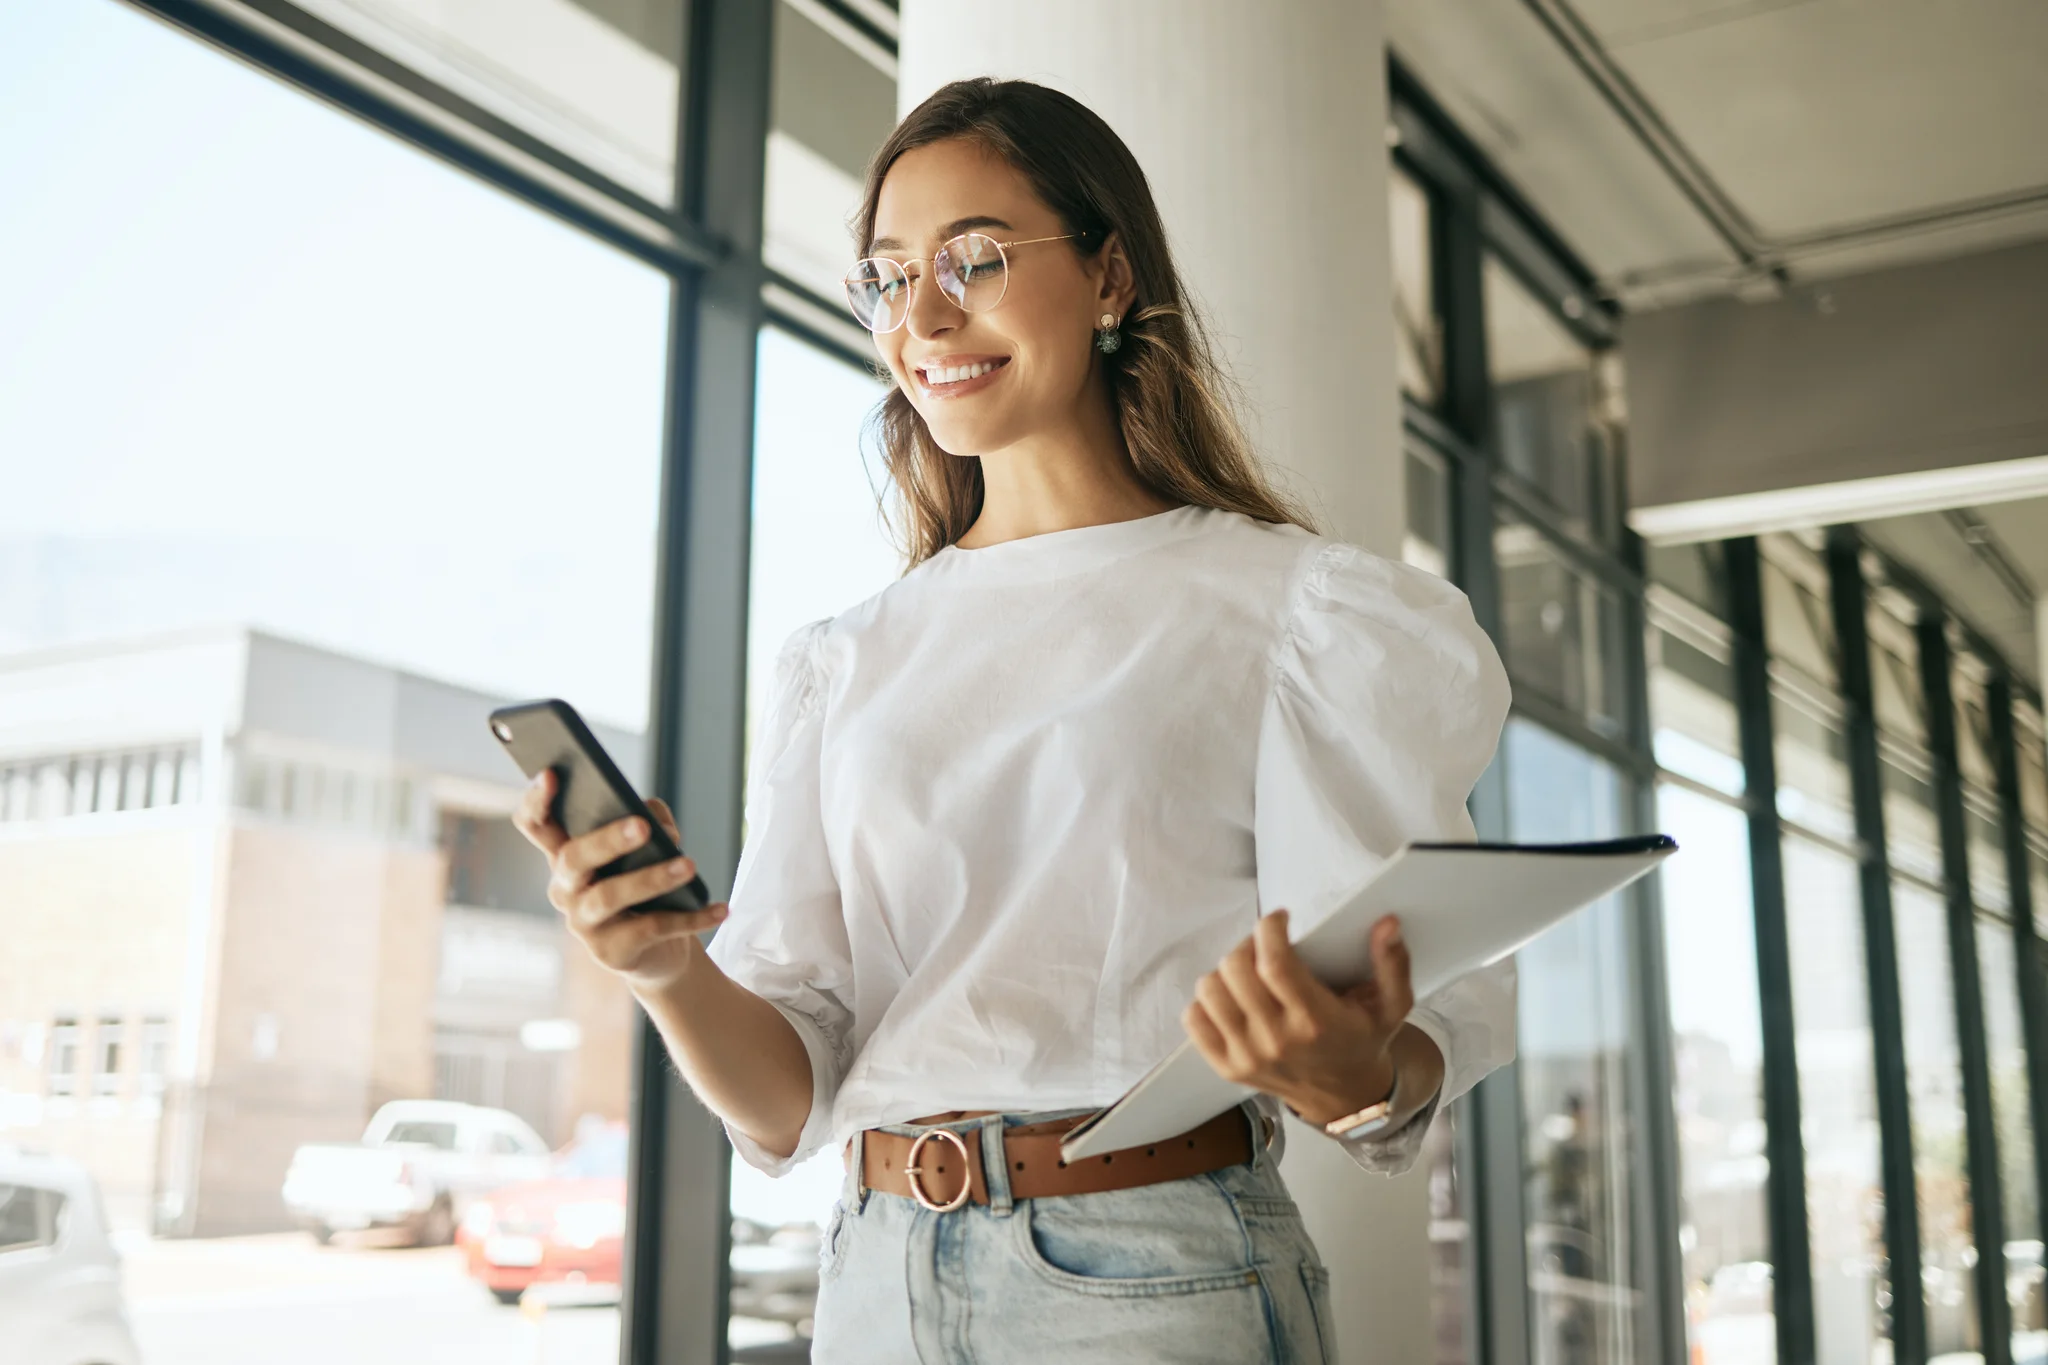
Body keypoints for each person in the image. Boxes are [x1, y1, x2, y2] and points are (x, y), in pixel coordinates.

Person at [515, 77, 1513, 1365]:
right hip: (875, 1273)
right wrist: (662, 970)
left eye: (973, 260)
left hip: (1156, 1266)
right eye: (885, 277)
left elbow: (1436, 998)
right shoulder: (847, 659)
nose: (921, 316)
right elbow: (790, 1090)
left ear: (1110, 277)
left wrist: (1359, 1075)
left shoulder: (1297, 612)